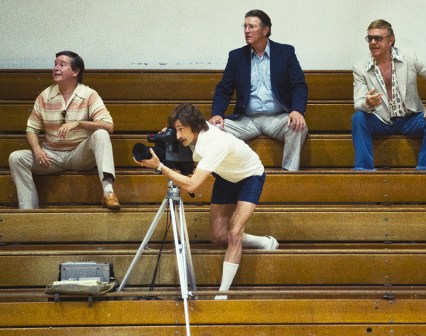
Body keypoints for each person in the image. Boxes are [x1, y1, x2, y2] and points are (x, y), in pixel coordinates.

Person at [136, 103, 279, 300]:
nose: (178, 136)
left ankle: (223, 293)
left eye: (181, 129)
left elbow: (193, 185)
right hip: (225, 176)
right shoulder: (193, 134)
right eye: (176, 130)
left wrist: (159, 166)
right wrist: (166, 141)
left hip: (250, 176)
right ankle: (263, 242)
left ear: (194, 125)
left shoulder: (215, 143)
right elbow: (182, 154)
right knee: (219, 236)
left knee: (235, 232)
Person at [8, 51, 120, 210]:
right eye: (55, 64)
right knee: (16, 158)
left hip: (79, 155)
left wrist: (79, 123)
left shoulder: (89, 94)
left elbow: (109, 126)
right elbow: (31, 129)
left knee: (101, 134)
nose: (56, 68)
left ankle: (109, 194)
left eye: (62, 64)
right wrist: (37, 149)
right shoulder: (45, 96)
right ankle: (28, 209)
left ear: (75, 71)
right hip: (51, 156)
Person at [210, 9, 308, 171]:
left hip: (277, 118)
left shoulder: (286, 53)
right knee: (213, 128)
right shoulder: (236, 56)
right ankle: (227, 175)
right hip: (246, 120)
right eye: (245, 26)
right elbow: (224, 89)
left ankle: (289, 174)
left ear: (265, 30)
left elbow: (299, 85)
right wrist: (217, 114)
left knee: (299, 126)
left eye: (251, 27)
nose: (246, 31)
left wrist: (297, 110)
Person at [352, 19, 426, 171]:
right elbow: (358, 103)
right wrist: (367, 103)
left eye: (378, 38)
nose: (373, 42)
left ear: (391, 40)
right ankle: (363, 170)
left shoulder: (409, 58)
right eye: (370, 38)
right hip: (381, 120)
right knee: (358, 118)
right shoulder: (360, 67)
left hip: (410, 119)